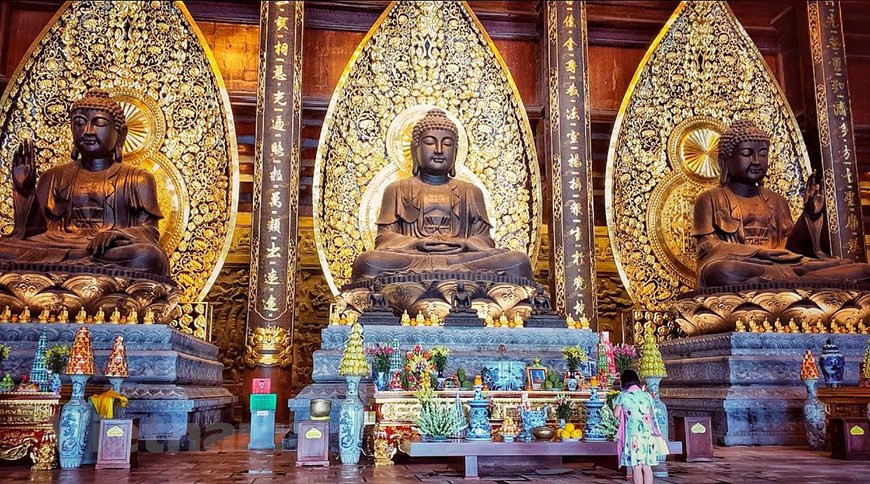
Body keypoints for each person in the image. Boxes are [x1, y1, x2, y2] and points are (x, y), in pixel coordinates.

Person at [614, 370, 662, 484]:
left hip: (633, 436)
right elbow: (651, 414)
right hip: (648, 435)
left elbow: (616, 414)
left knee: (636, 467)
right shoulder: (647, 396)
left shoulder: (623, 396)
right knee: (647, 467)